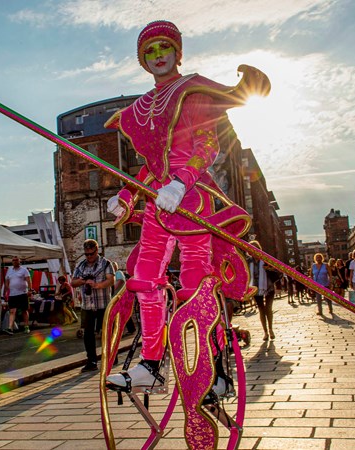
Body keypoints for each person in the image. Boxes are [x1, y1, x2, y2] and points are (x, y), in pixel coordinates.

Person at [103, 20, 267, 391]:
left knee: (196, 281)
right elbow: (149, 166)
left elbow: (208, 146)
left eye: (164, 48)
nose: (158, 56)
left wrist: (181, 182)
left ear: (177, 51)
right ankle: (150, 365)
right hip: (158, 204)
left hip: (191, 199)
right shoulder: (141, 107)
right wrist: (127, 196)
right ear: (143, 61)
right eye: (150, 52)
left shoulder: (192, 91)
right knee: (144, 280)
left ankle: (216, 368)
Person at [71, 239, 114, 372]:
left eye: (91, 253)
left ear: (97, 250)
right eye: (87, 254)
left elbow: (111, 280)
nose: (89, 257)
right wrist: (83, 281)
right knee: (88, 334)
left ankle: (112, 356)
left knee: (106, 332)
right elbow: (73, 282)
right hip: (87, 305)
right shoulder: (81, 265)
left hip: (103, 303)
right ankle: (91, 361)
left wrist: (98, 285)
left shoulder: (105, 263)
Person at [249, 241, 278, 341]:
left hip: (268, 287)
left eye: (255, 248)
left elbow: (276, 270)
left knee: (268, 309)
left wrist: (269, 268)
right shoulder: (248, 262)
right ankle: (265, 332)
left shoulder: (266, 259)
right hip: (255, 289)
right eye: (251, 249)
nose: (254, 251)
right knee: (261, 310)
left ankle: (271, 329)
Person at [4, 256, 32, 334]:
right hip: (12, 294)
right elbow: (6, 282)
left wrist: (30, 290)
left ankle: (26, 327)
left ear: (20, 261)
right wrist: (6, 292)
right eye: (13, 260)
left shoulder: (24, 270)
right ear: (12, 262)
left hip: (22, 293)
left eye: (17, 260)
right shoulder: (9, 270)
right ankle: (10, 328)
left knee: (24, 310)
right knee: (12, 311)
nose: (15, 261)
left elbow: (29, 280)